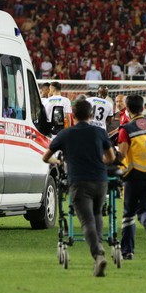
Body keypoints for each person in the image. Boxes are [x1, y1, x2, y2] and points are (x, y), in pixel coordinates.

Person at [42, 100, 116, 277]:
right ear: (91, 115)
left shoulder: (65, 134)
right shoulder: (99, 132)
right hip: (100, 180)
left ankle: (98, 255)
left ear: (72, 115)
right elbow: (111, 157)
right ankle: (99, 249)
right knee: (97, 214)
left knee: (86, 221)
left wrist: (60, 162)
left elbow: (46, 157)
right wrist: (98, 162)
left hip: (79, 182)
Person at [116, 94, 146, 260]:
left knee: (128, 214)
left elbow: (121, 154)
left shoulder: (126, 129)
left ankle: (127, 251)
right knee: (144, 210)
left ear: (127, 109)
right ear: (143, 108)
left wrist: (110, 163)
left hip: (134, 175)